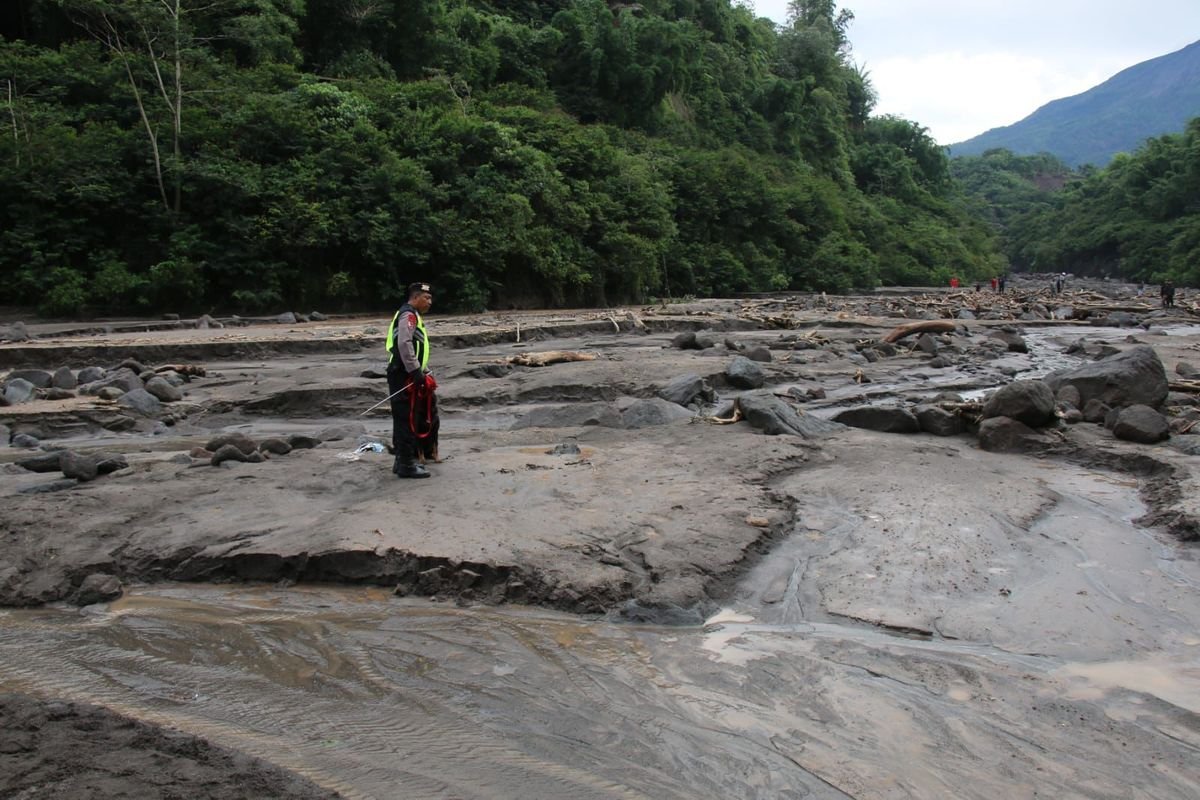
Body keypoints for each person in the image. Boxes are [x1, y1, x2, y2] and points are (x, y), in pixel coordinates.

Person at [386, 282, 439, 479]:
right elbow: (404, 343)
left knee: (405, 417)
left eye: (430, 298)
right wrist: (416, 371)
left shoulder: (413, 315)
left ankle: (401, 460)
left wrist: (423, 371)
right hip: (403, 374)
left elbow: (416, 347)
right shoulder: (408, 315)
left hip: (406, 372)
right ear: (415, 298)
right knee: (406, 419)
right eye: (426, 298)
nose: (430, 302)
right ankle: (407, 464)